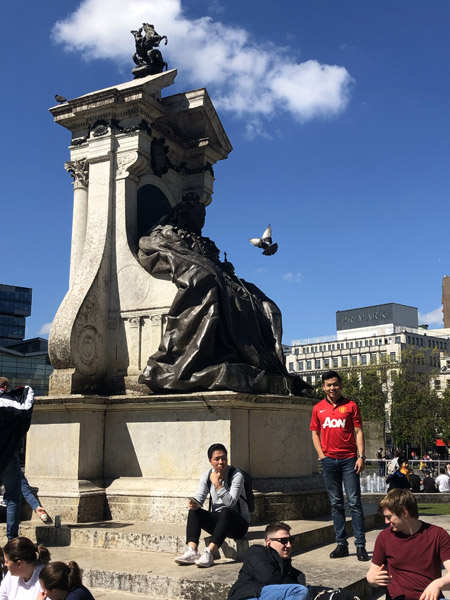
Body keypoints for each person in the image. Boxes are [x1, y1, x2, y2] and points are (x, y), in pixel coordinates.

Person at [138, 195, 309, 395]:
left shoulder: (203, 240)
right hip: (201, 274)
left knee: (264, 304)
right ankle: (201, 358)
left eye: (203, 216)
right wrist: (210, 267)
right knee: (208, 284)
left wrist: (222, 268)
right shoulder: (168, 232)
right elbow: (162, 249)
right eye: (197, 215)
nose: (201, 220)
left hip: (218, 276)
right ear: (184, 215)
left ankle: (262, 360)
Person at [310, 371, 369, 561]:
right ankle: (341, 544)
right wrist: (322, 456)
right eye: (328, 385)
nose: (332, 388)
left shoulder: (351, 406)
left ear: (340, 385)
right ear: (323, 387)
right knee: (335, 504)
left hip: (349, 460)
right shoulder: (318, 408)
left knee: (354, 503)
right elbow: (314, 434)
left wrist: (361, 456)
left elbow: (358, 432)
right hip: (329, 461)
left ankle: (360, 545)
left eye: (335, 384)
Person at [175, 443, 249, 568]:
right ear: (210, 461)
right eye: (217, 459)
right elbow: (200, 497)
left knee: (226, 511)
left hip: (238, 525)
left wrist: (218, 485)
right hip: (219, 522)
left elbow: (231, 503)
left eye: (224, 458)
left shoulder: (236, 475)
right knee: (195, 511)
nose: (221, 462)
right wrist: (194, 503)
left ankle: (209, 552)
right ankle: (192, 550)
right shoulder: (207, 476)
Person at [366, 489, 450, 600]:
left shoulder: (438, 534)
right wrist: (372, 579)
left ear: (405, 512)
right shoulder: (384, 537)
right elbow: (372, 572)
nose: (386, 522)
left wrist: (438, 584)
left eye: (389, 517)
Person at [228, 521, 309, 600]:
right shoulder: (256, 551)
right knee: (298, 591)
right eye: (283, 541)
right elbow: (269, 578)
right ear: (268, 542)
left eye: (290, 541)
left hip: (266, 595)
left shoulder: (286, 565)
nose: (289, 545)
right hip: (249, 595)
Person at [0, 378, 35, 540]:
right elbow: (26, 408)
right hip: (7, 457)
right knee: (13, 497)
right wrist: (26, 388)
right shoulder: (9, 403)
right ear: (5, 387)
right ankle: (11, 539)